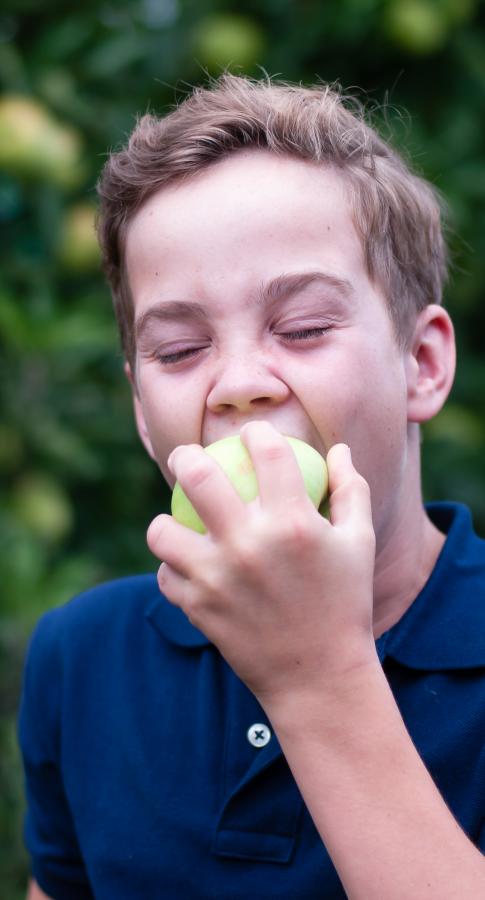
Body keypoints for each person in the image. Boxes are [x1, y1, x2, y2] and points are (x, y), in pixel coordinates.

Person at [19, 74, 485, 900]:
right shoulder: (82, 656)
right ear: (139, 411)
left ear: (421, 363)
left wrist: (315, 677)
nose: (239, 382)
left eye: (302, 328)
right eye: (176, 350)